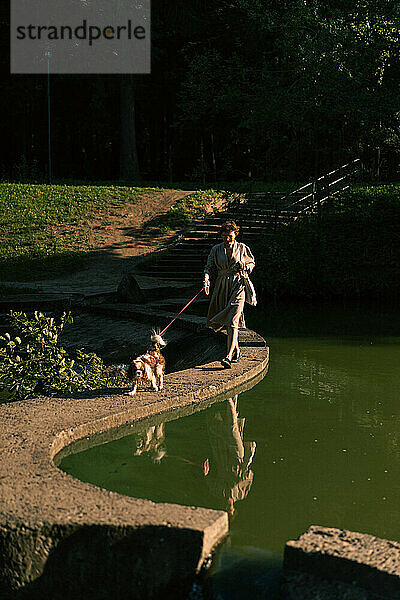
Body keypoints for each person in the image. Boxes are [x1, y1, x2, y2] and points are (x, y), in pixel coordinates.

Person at [203, 220, 255, 368]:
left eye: (230, 236)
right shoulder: (216, 249)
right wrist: (206, 279)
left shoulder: (243, 248)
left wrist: (245, 266)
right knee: (228, 322)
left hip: (238, 285)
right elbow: (209, 266)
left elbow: (251, 263)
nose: (227, 239)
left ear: (235, 235)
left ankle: (228, 355)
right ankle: (237, 350)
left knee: (232, 319)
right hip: (221, 286)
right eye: (224, 236)